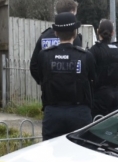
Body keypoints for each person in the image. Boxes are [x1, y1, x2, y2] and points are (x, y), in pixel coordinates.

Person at [37, 12, 96, 141]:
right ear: (75, 33)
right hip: (79, 113)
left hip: (53, 113)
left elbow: (39, 76)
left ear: (56, 33)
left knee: (52, 152)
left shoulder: (44, 55)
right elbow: (94, 80)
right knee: (81, 154)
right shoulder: (86, 56)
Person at [29, 0, 84, 85]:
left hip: (50, 90)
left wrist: (44, 82)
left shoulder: (44, 36)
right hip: (71, 89)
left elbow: (34, 65)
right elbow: (80, 65)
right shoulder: (74, 37)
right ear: (73, 12)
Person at [89, 19, 118, 118]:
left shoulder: (94, 50)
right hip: (116, 95)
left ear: (97, 31)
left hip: (99, 96)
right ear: (113, 33)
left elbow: (90, 73)